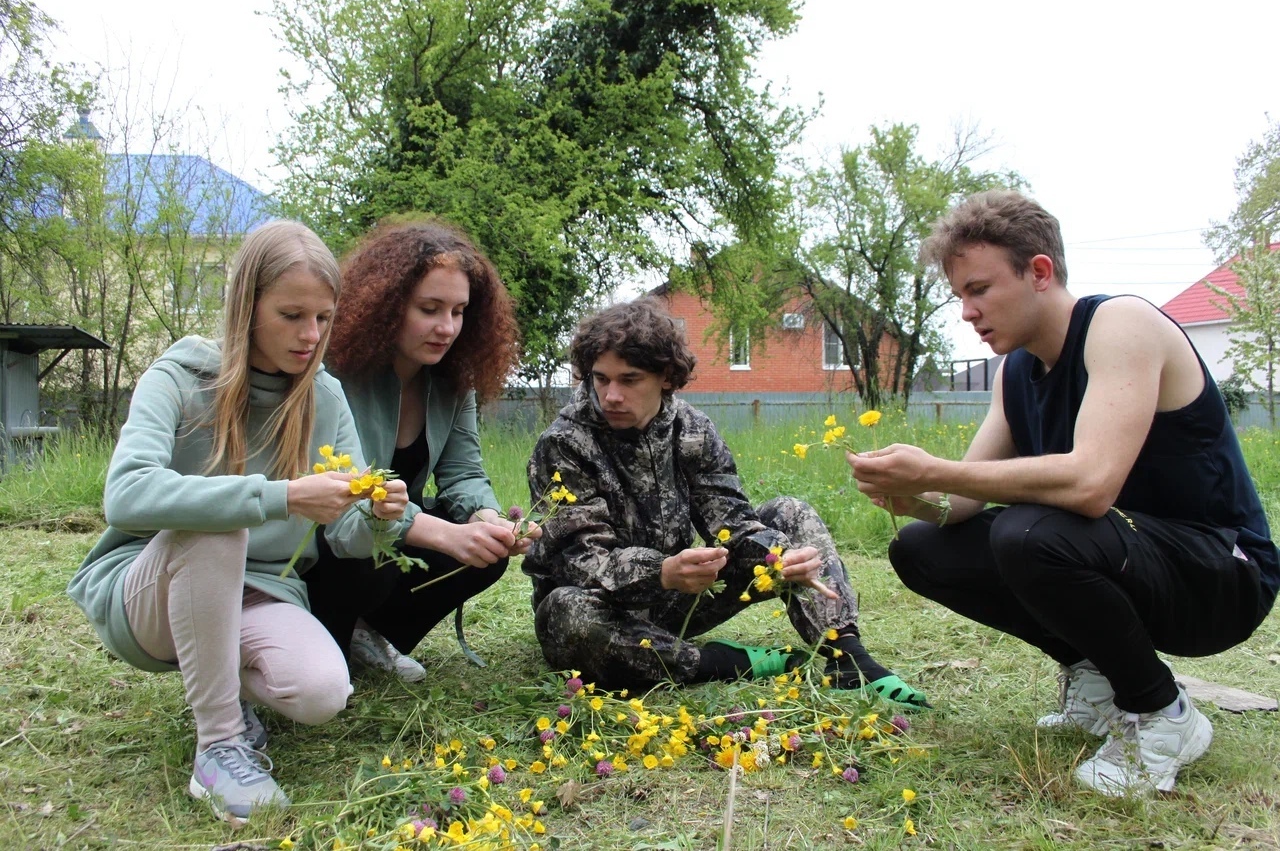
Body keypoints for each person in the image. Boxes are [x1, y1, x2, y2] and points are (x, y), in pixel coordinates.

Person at [848, 190, 1278, 795]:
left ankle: (1162, 715)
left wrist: (934, 472)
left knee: (1030, 532)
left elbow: (1091, 484)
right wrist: (907, 495)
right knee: (922, 548)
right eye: (959, 296)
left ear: (1040, 272)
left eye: (979, 289)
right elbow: (961, 504)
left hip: (1219, 577)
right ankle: (1097, 680)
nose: (967, 312)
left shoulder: (1121, 325)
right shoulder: (1017, 372)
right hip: (1122, 558)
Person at [66, 220, 409, 824]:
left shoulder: (323, 397)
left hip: (261, 592)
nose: (311, 336)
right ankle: (218, 746)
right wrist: (281, 496)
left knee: (322, 692)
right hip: (149, 588)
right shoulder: (179, 375)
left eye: (324, 318)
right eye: (291, 315)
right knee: (219, 522)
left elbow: (348, 535)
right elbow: (124, 495)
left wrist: (380, 517)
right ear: (245, 307)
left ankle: (218, 689)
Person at [522, 298, 927, 708]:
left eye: (629, 380)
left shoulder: (692, 429)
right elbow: (580, 560)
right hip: (604, 610)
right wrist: (661, 571)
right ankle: (718, 662)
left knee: (790, 513)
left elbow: (731, 521)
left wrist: (780, 557)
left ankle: (847, 658)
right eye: (601, 379)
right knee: (566, 612)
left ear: (666, 377)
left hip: (685, 595)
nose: (611, 395)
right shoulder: (563, 444)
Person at [302, 218, 533, 681]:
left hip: (387, 544)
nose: (446, 328)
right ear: (387, 307)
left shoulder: (453, 380)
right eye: (429, 308)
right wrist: (447, 535)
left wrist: (488, 519)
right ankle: (320, 636)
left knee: (483, 555)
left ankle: (366, 633)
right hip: (323, 549)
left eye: (459, 311)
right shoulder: (336, 374)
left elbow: (464, 472)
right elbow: (352, 499)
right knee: (373, 548)